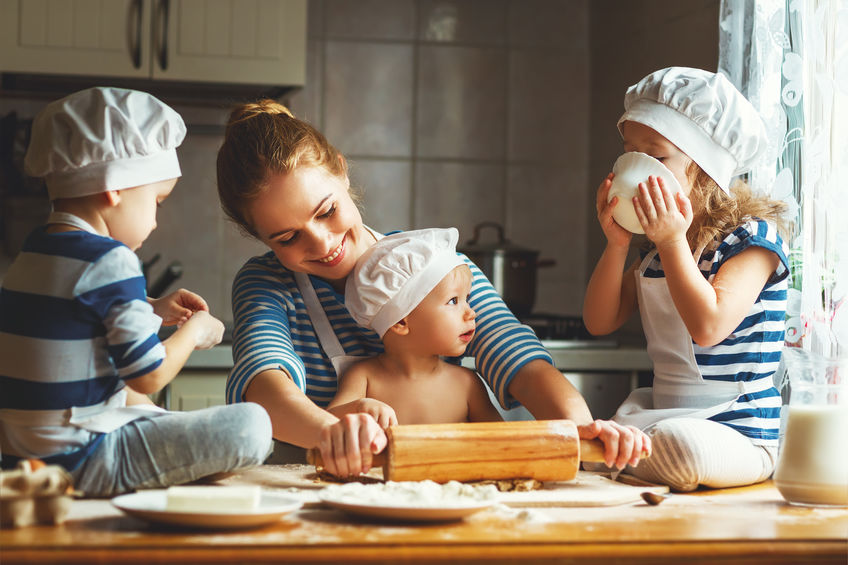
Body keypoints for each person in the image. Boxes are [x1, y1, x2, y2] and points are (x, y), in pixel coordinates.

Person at [216, 100, 649, 479]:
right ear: (261, 238)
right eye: (287, 238)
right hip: (317, 491)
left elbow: (517, 358)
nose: (322, 243)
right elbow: (264, 383)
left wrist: (578, 426)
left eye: (326, 211)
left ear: (342, 173)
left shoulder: (435, 262)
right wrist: (333, 433)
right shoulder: (267, 284)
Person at [0, 87, 272, 497]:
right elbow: (149, 376)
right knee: (254, 426)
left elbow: (78, 312)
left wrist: (153, 309)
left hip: (19, 457)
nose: (157, 221)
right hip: (83, 459)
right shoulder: (113, 260)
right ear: (115, 190)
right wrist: (194, 332)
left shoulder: (34, 251)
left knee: (135, 405)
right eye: (157, 201)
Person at [583, 67, 791, 491]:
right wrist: (617, 245)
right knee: (614, 433)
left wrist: (672, 240)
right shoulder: (656, 255)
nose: (638, 168)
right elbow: (599, 322)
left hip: (739, 434)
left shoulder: (751, 242)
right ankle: (627, 454)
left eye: (656, 158)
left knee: (678, 447)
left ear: (704, 168)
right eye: (629, 154)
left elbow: (708, 326)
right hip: (664, 416)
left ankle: (623, 457)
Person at [328, 228, 503, 426]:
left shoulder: (468, 383)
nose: (471, 313)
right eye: (453, 301)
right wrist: (358, 407)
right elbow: (326, 424)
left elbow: (501, 443)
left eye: (467, 299)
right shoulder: (364, 377)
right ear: (401, 322)